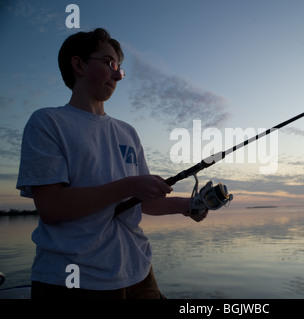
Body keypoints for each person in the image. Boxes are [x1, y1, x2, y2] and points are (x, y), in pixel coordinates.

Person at [16, 28, 208, 299]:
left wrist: (188, 206)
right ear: (79, 64)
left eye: (120, 68)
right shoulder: (48, 122)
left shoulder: (127, 132)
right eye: (110, 64)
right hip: (75, 278)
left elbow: (144, 202)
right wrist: (130, 184)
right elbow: (51, 207)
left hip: (138, 269)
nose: (118, 75)